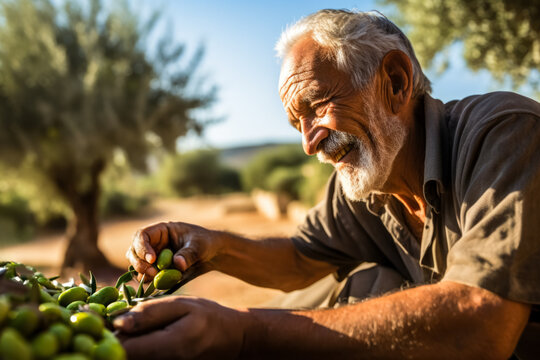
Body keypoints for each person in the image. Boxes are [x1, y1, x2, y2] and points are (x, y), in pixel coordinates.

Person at [115, 9, 540, 359]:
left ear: (394, 81)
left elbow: (483, 321)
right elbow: (301, 259)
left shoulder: (504, 133)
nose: (308, 142)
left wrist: (244, 331)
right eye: (296, 123)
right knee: (353, 283)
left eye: (317, 106)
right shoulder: (368, 178)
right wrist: (213, 248)